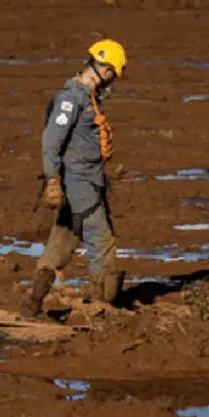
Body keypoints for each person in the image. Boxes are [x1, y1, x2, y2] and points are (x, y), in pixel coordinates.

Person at [22, 39, 127, 318]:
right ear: (104, 70)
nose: (112, 80)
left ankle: (31, 304)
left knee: (62, 240)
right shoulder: (71, 98)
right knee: (101, 241)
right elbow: (51, 142)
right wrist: (53, 180)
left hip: (87, 182)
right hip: (79, 183)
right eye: (112, 73)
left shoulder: (88, 97)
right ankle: (99, 308)